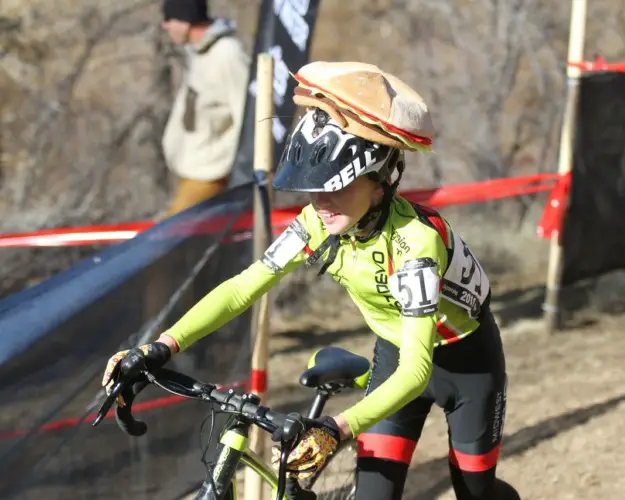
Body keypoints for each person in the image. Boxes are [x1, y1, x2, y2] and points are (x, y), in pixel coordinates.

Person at [102, 61, 517, 500]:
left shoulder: (415, 243)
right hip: (395, 355)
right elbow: (245, 286)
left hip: (467, 363)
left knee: (476, 492)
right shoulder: (318, 222)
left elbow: (418, 370)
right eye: (313, 189)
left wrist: (336, 429)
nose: (321, 202)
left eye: (336, 187)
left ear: (379, 184)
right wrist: (162, 345)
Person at [159, 0, 249, 218]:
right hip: (194, 171)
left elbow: (250, 116)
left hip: (211, 175)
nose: (165, 26)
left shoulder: (227, 55)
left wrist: (225, 161)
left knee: (168, 238)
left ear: (185, 20)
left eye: (169, 19)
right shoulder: (200, 53)